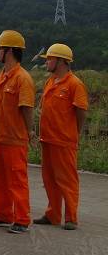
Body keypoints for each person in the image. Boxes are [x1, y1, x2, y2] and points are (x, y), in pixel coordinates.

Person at [0, 30, 35, 234]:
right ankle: (4, 214)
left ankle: (22, 219)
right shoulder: (2, 76)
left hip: (15, 139)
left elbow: (27, 108)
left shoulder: (23, 78)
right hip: (0, 137)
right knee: (0, 180)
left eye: (0, 49)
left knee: (17, 181)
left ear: (10, 51)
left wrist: (29, 132)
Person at [34, 44, 88, 230]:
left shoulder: (74, 84)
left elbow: (81, 112)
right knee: (49, 180)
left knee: (67, 180)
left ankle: (71, 217)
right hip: (47, 139)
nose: (47, 62)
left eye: (50, 59)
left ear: (62, 61)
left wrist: (74, 133)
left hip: (64, 141)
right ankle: (53, 215)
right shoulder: (51, 81)